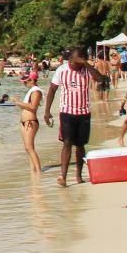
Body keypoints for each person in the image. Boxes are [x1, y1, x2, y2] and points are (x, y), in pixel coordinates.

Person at [44, 48, 95, 186]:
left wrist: (85, 63)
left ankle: (79, 175)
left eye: (81, 62)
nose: (79, 65)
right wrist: (47, 111)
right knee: (67, 142)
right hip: (67, 112)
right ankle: (63, 177)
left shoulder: (86, 70)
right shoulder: (61, 70)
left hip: (84, 112)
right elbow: (52, 90)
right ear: (71, 60)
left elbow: (100, 78)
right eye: (77, 62)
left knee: (80, 145)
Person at [17, 76, 44, 175]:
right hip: (24, 122)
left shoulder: (36, 92)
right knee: (27, 148)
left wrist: (18, 102)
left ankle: (38, 171)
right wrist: (18, 102)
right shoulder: (31, 91)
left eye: (26, 82)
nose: (24, 84)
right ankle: (33, 170)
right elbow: (26, 107)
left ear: (32, 80)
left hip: (30, 121)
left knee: (29, 148)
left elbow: (33, 106)